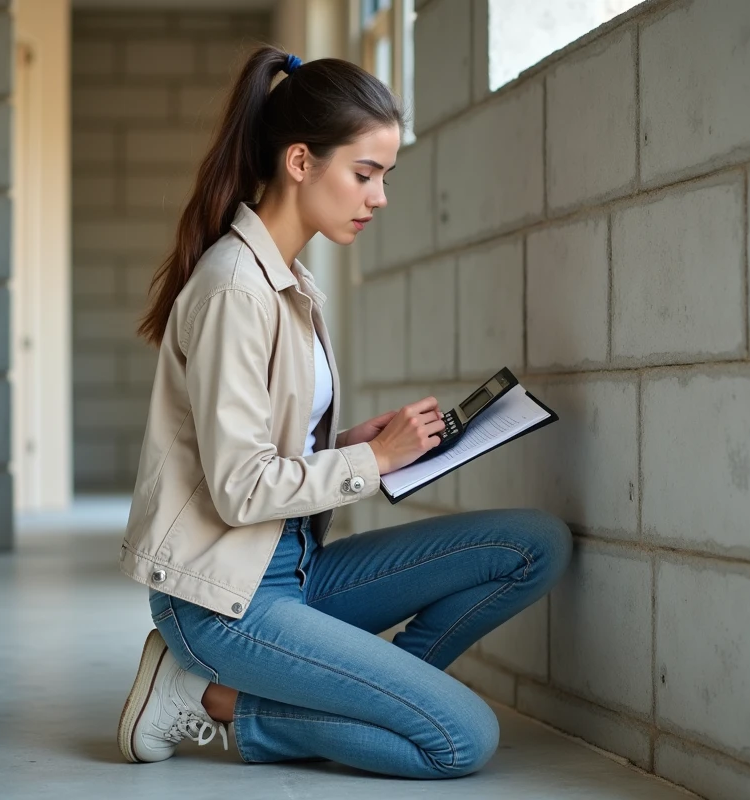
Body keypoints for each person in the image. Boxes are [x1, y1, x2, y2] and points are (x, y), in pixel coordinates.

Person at [114, 45, 572, 780]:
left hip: (292, 566)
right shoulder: (237, 288)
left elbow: (271, 444)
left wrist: (356, 443)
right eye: (365, 174)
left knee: (534, 545)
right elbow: (237, 489)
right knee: (459, 741)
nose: (379, 196)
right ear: (300, 162)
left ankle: (364, 696)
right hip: (226, 599)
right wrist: (375, 460)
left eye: (384, 177)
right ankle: (212, 695)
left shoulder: (288, 281)